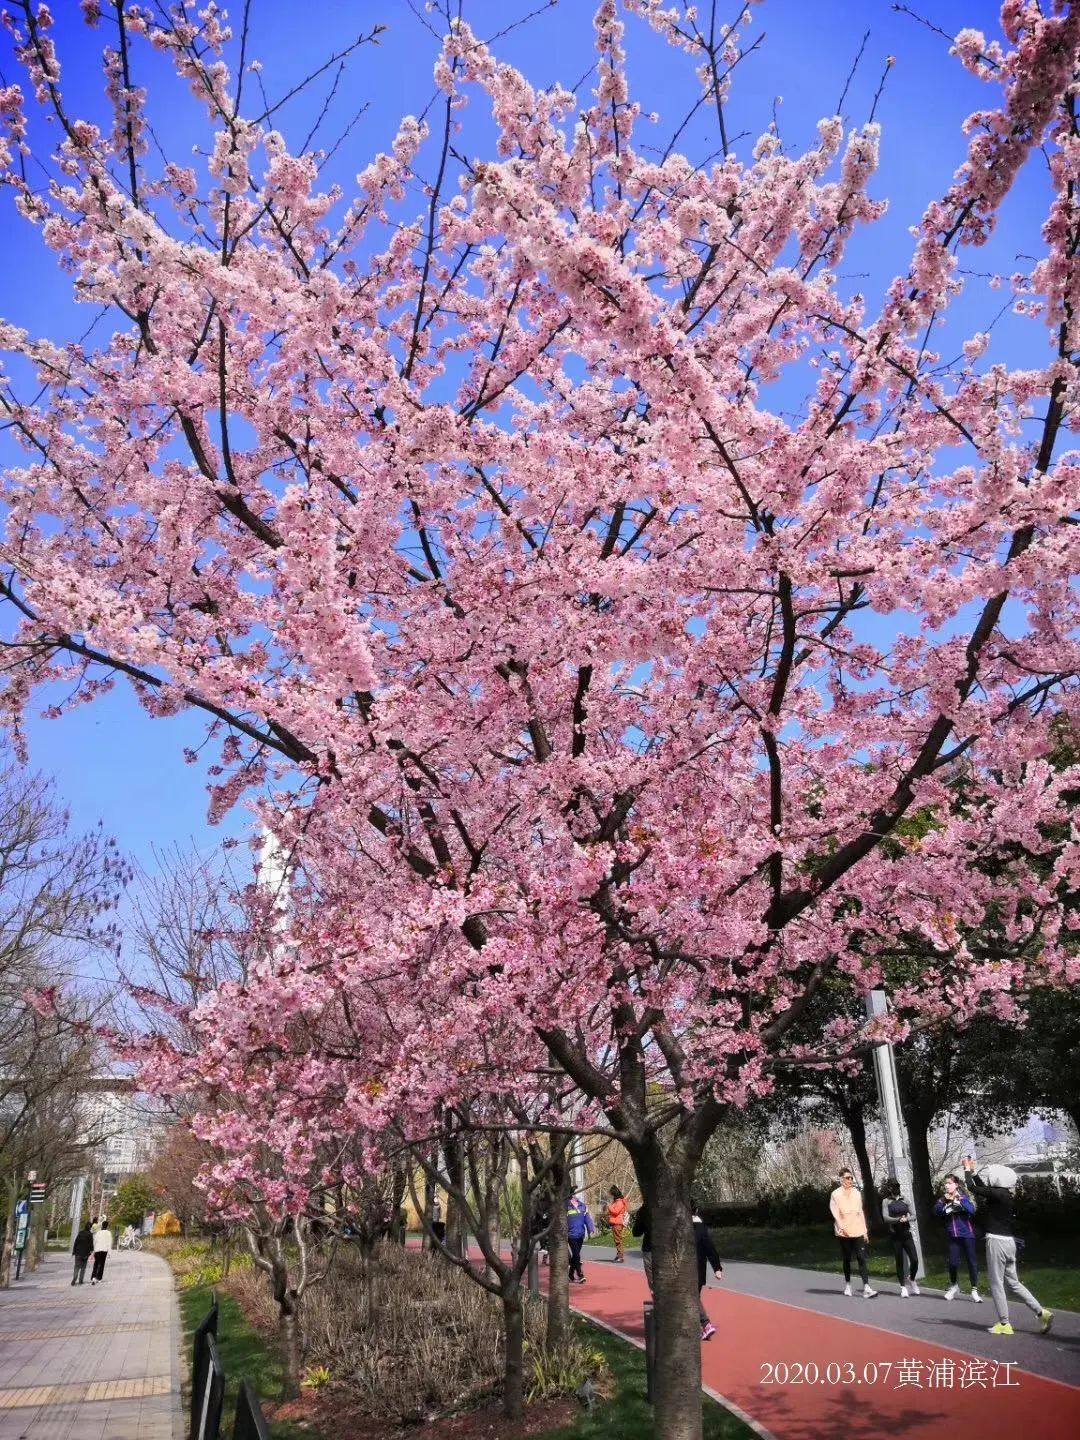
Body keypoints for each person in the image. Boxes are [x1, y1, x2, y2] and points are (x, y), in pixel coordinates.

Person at [962, 1156, 1053, 1337]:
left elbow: (972, 1188)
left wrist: (966, 1170)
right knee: (1014, 1283)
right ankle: (1041, 1312)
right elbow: (983, 1188)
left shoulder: (997, 1195)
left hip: (996, 1242)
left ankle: (1004, 1323)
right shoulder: (1004, 1195)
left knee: (996, 1283)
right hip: (1009, 1243)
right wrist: (973, 1171)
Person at [829, 1169, 877, 1298]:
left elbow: (860, 1212)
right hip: (844, 1232)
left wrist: (865, 1231)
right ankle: (848, 1285)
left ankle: (866, 1287)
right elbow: (835, 1213)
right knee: (847, 1258)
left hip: (858, 1230)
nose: (850, 1180)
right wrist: (841, 1226)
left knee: (861, 1258)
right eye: (847, 1178)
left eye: (851, 1178)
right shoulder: (835, 1194)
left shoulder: (856, 1193)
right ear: (841, 1179)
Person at [933, 1173, 980, 1302]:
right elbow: (936, 1211)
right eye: (945, 1183)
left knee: (972, 1263)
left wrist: (959, 1201)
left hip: (967, 1235)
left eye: (949, 1183)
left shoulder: (963, 1197)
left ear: (956, 1185)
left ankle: (974, 1290)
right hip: (953, 1236)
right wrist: (944, 1200)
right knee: (953, 1263)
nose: (947, 1186)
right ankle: (954, 1286)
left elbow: (971, 1211)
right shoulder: (943, 1199)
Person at [880, 1177, 921, 1297]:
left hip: (906, 1234)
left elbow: (914, 1215)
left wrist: (906, 1218)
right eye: (894, 1186)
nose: (896, 1188)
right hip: (895, 1235)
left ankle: (912, 1279)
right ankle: (903, 1287)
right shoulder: (886, 1201)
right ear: (889, 1188)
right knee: (899, 1261)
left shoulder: (905, 1200)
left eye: (898, 1186)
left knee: (915, 1260)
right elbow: (885, 1218)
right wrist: (898, 1219)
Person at [692, 1207, 722, 1341]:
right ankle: (700, 1326)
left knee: (692, 1298)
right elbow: (710, 1248)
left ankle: (706, 1324)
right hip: (699, 1270)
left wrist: (717, 1267)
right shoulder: (701, 1227)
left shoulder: (686, 1227)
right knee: (694, 1297)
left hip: (689, 1270)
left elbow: (709, 1247)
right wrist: (717, 1268)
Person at [566, 1193, 595, 1285]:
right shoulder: (566, 1206)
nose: (574, 1195)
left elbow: (587, 1219)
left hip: (580, 1234)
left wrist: (591, 1228)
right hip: (571, 1235)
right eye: (572, 1193)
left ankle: (570, 1274)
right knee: (576, 1255)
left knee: (575, 1256)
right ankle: (580, 1274)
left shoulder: (582, 1206)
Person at [632, 1200, 653, 1290]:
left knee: (652, 1276)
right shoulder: (671, 1206)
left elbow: (636, 1232)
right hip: (670, 1248)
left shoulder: (645, 1210)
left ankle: (656, 1293)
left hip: (650, 1247)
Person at [606, 1187, 629, 1262]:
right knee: (617, 1240)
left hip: (617, 1223)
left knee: (618, 1240)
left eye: (612, 1194)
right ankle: (619, 1255)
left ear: (614, 1194)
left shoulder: (619, 1202)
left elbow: (615, 1211)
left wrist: (609, 1206)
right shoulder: (616, 1202)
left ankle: (620, 1256)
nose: (611, 1196)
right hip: (615, 1222)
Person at [91, 1217, 113, 1284]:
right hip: (104, 1250)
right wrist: (109, 1253)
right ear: (107, 1226)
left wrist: (94, 1250)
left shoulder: (98, 1233)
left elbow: (95, 1241)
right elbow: (109, 1243)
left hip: (97, 1250)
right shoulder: (108, 1233)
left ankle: (93, 1277)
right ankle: (99, 1278)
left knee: (96, 1263)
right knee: (102, 1264)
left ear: (102, 1226)